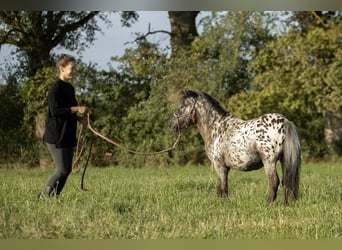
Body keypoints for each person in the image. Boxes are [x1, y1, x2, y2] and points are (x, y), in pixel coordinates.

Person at [38, 54, 88, 199]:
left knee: (66, 171)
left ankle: (53, 198)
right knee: (61, 170)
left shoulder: (70, 88)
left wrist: (80, 119)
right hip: (56, 136)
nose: (74, 71)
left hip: (67, 133)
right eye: (71, 68)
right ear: (62, 68)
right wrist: (76, 109)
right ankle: (43, 198)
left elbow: (67, 111)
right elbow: (55, 111)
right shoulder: (55, 88)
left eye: (74, 68)